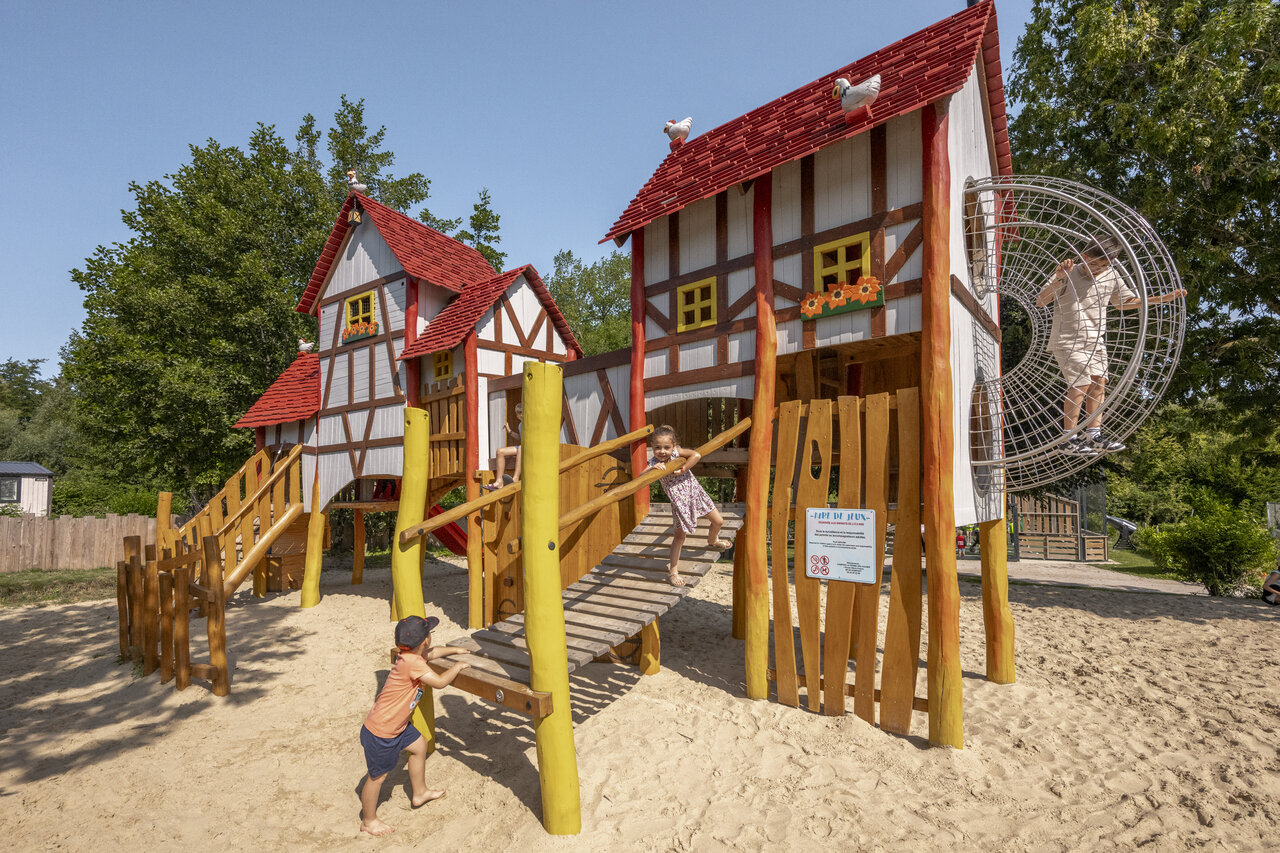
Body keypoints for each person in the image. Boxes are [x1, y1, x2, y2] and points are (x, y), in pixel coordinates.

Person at [1036, 236, 1185, 455]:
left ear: (1112, 263)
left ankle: (1094, 435)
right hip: (1068, 339)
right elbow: (1041, 301)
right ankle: (1068, 439)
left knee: (1099, 383)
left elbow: (1124, 302)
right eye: (1094, 263)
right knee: (1081, 383)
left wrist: (1161, 299)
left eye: (1104, 265)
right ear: (1083, 257)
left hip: (1095, 341)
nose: (1097, 269)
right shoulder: (1069, 272)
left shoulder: (1111, 275)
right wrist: (1059, 278)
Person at [359, 615, 470, 837]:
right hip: (382, 732)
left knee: (419, 745)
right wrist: (457, 667)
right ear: (425, 640)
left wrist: (455, 650)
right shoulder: (413, 663)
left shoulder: (410, 656)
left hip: (398, 726)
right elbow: (439, 682)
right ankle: (368, 820)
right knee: (377, 777)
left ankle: (419, 793)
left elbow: (433, 653)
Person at [648, 425, 730, 586]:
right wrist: (653, 468)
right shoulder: (654, 462)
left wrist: (683, 468)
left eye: (666, 447)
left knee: (719, 521)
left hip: (696, 494)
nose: (662, 451)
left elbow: (696, 455)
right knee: (680, 536)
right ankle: (673, 572)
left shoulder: (677, 453)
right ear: (652, 447)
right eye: (657, 448)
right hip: (680, 503)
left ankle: (713, 540)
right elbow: (640, 476)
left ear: (673, 446)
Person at [484, 402, 523, 491]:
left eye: (517, 414)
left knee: (521, 447)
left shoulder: (530, 422)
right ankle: (499, 482)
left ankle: (516, 478)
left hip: (528, 447)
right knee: (500, 451)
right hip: (522, 447)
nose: (517, 416)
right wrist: (510, 431)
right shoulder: (520, 425)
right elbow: (521, 438)